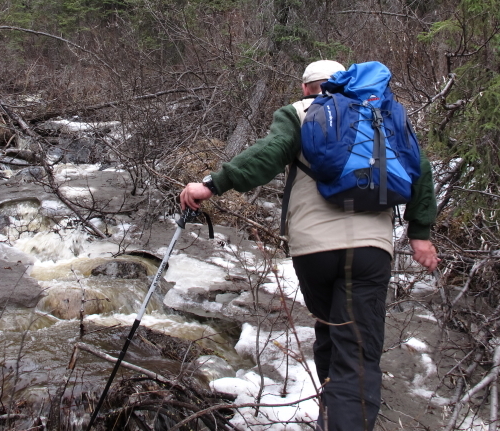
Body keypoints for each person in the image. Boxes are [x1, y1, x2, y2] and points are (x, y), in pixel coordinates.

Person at [180, 60, 439, 431]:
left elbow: (269, 154)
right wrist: (420, 234)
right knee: (358, 353)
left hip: (313, 249)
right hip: (371, 250)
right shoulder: (378, 110)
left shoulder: (300, 112)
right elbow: (421, 168)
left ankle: (331, 412)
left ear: (306, 88)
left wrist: (212, 184)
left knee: (330, 328)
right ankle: (340, 418)